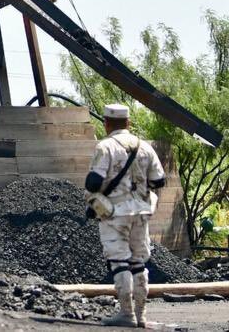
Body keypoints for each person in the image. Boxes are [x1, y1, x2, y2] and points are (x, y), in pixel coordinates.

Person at [85, 103, 166, 328]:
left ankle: (126, 314)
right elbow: (159, 180)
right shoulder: (145, 147)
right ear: (128, 123)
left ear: (106, 123)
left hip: (114, 213)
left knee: (119, 260)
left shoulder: (106, 147)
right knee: (138, 262)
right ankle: (142, 316)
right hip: (140, 212)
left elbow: (93, 182)